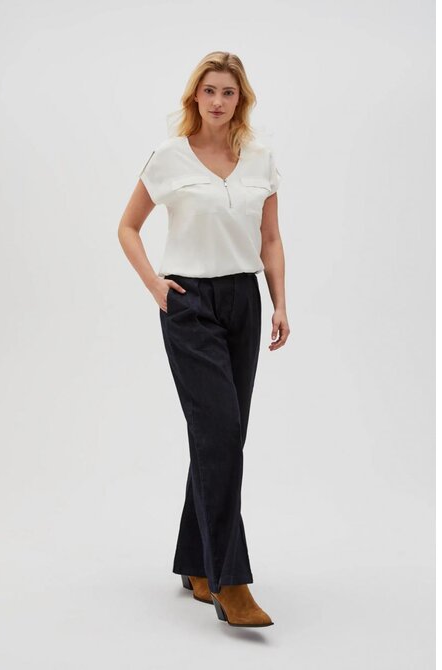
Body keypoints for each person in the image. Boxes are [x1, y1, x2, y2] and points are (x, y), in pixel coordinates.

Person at [117, 51, 290, 628]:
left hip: (243, 300)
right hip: (189, 303)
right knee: (219, 434)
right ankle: (229, 581)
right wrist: (155, 286)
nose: (218, 101)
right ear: (195, 95)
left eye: (229, 92)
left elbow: (270, 238)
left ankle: (195, 560)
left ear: (241, 100)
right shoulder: (168, 157)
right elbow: (127, 226)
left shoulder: (261, 160)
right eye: (209, 90)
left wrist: (279, 303)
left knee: (224, 436)